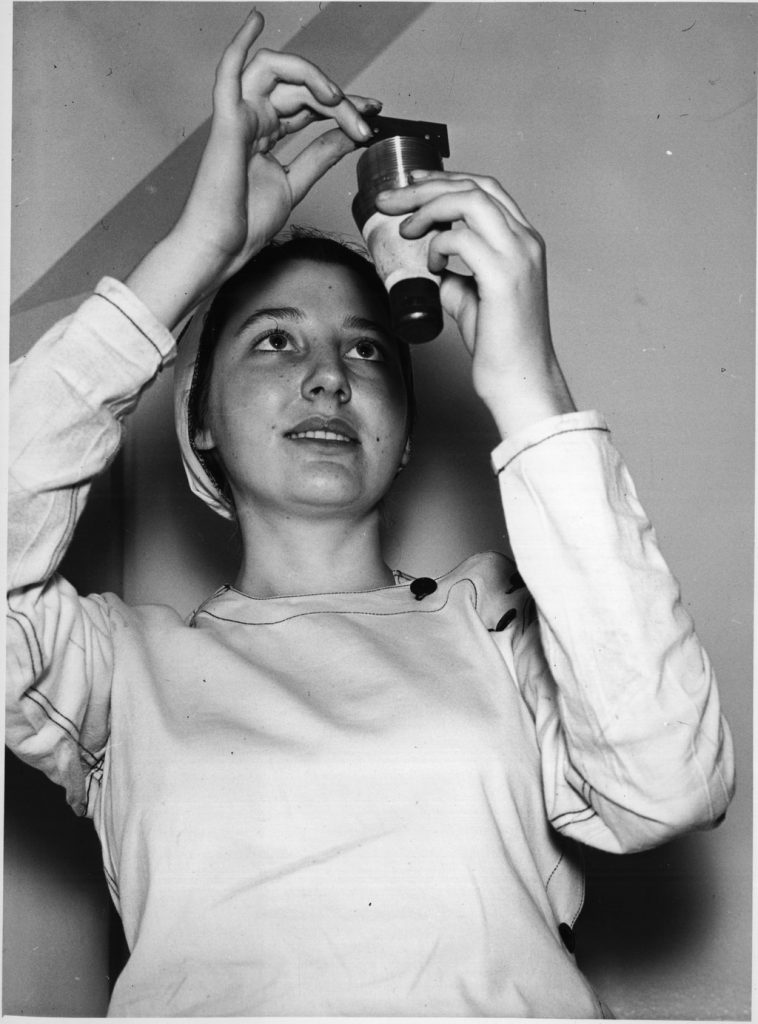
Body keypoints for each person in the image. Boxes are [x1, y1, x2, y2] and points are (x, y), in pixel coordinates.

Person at [6, 12, 735, 1018]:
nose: (327, 378)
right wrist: (197, 250)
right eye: (272, 343)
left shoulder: (497, 623)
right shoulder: (111, 664)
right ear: (199, 420)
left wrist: (530, 386)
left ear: (399, 424)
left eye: (364, 349)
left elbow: (670, 784)